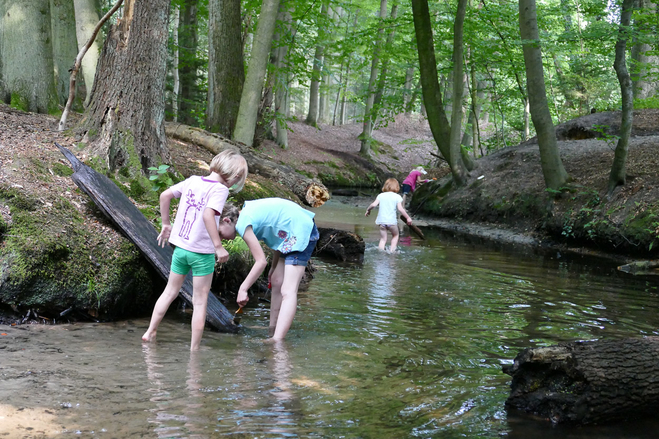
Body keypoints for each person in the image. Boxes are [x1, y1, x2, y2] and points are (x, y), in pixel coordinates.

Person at [142, 149, 247, 351]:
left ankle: (150, 332)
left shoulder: (192, 180)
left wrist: (166, 224)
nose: (235, 183)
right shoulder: (220, 190)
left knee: (170, 291)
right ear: (234, 176)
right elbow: (208, 215)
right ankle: (194, 349)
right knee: (200, 302)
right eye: (238, 179)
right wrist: (218, 247)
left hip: (180, 248)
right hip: (202, 253)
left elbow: (165, 195)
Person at [234, 198, 319, 341]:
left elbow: (260, 261)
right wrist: (273, 267)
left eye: (219, 233)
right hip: (290, 233)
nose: (222, 238)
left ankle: (277, 340)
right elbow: (278, 228)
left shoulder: (242, 224)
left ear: (226, 220)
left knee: (288, 290)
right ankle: (272, 329)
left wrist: (243, 289)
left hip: (301, 231)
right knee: (276, 280)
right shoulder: (246, 213)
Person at [365, 178, 413, 253]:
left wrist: (368, 210)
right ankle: (392, 251)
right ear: (397, 187)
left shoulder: (380, 195)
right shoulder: (397, 197)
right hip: (391, 222)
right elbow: (400, 209)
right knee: (395, 236)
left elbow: (373, 205)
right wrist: (408, 218)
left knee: (383, 239)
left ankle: (380, 253)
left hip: (382, 221)